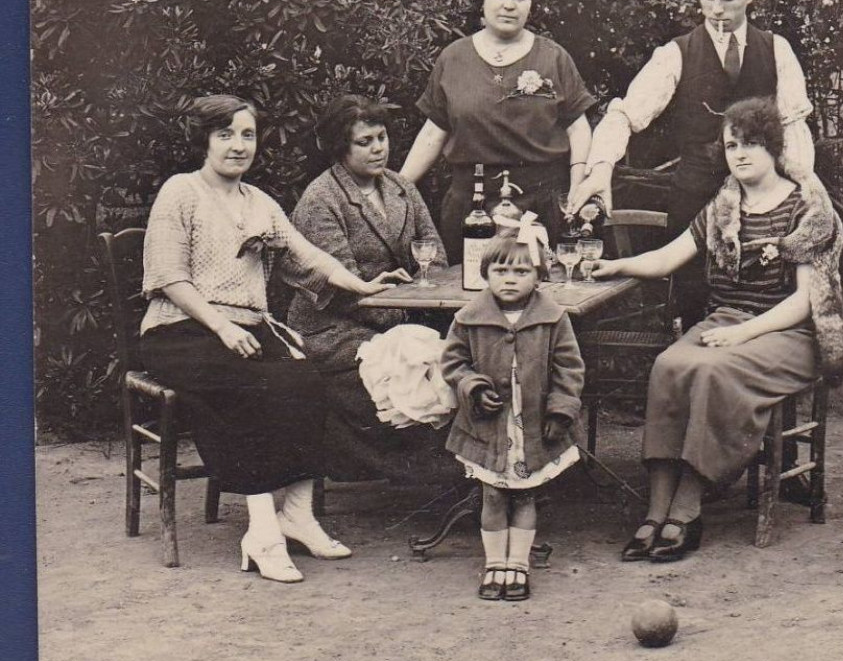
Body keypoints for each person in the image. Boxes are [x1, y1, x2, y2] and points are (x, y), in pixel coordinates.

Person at [139, 95, 408, 583]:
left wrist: (363, 284)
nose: (238, 146)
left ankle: (297, 515)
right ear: (204, 141)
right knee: (252, 387)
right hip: (180, 330)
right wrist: (219, 326)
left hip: (245, 331)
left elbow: (308, 257)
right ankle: (262, 532)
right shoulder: (180, 192)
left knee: (306, 380)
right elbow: (168, 277)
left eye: (247, 135)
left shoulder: (259, 202)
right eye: (226, 135)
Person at [590, 97, 843, 563]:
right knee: (668, 365)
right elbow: (670, 255)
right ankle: (654, 511)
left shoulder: (806, 210)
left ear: (773, 148)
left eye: (751, 143)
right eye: (732, 145)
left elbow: (803, 301)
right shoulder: (723, 206)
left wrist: (742, 336)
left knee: (710, 371)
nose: (741, 154)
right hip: (727, 323)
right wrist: (615, 264)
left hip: (788, 335)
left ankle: (687, 510)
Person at [566, 0, 820, 324]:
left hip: (764, 210)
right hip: (693, 206)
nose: (717, 9)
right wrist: (601, 168)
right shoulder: (675, 54)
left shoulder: (776, 50)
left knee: (759, 311)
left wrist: (803, 197)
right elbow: (624, 115)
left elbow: (794, 132)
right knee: (692, 314)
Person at [289, 95, 448, 480]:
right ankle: (430, 474)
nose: (379, 149)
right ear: (340, 148)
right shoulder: (321, 200)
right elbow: (344, 289)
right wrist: (407, 312)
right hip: (333, 329)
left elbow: (435, 256)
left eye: (382, 137)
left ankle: (468, 467)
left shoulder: (400, 188)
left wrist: (418, 301)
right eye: (365, 142)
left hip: (400, 317)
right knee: (413, 366)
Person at [400, 0, 596, 258]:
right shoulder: (453, 58)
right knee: (466, 294)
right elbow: (432, 133)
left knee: (539, 294)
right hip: (470, 206)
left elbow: (578, 128)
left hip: (540, 203)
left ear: (531, 4)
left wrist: (576, 189)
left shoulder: (554, 58)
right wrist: (397, 192)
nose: (509, 4)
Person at [441, 236, 586, 601]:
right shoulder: (468, 318)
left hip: (534, 426)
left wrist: (561, 409)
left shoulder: (553, 318)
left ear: (538, 276)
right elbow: (453, 363)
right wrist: (472, 386)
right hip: (488, 425)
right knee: (492, 494)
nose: (510, 279)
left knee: (525, 497)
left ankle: (517, 564)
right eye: (500, 270)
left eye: (521, 271)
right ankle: (494, 564)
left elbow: (570, 369)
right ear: (485, 274)